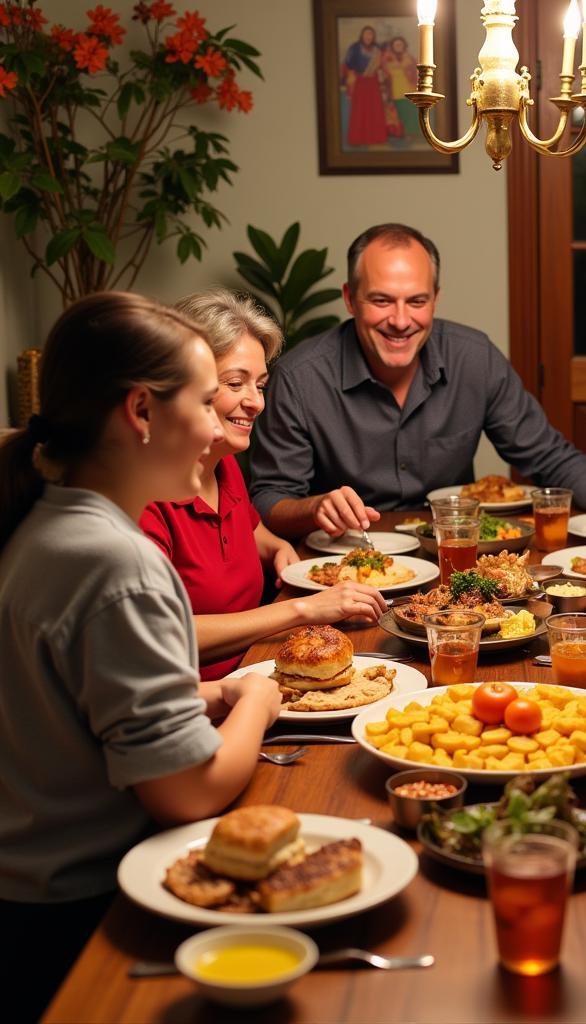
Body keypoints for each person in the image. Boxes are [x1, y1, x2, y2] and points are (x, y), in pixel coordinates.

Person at [0, 293, 282, 1019]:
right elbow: (187, 791)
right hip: (82, 910)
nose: (218, 421)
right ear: (142, 412)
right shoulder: (116, 561)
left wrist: (206, 697)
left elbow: (82, 710)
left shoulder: (52, 524)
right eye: (205, 399)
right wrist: (256, 699)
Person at [249, 222, 586, 538]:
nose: (400, 321)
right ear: (350, 299)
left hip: (455, 551)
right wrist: (315, 507)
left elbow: (548, 456)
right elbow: (269, 499)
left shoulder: (474, 357)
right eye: (381, 301)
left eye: (416, 301)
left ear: (435, 298)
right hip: (345, 563)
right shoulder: (299, 379)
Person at [139, 290, 387, 680]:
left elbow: (250, 529)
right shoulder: (141, 496)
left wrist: (277, 547)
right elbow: (157, 635)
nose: (256, 402)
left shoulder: (224, 464)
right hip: (200, 701)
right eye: (236, 384)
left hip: (262, 667)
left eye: (260, 384)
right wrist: (302, 609)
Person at [341, 25, 387, 147]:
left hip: (373, 83)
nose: (368, 36)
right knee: (360, 110)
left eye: (370, 34)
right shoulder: (354, 48)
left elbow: (381, 66)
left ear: (373, 36)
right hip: (360, 82)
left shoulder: (377, 49)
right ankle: (358, 138)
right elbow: (348, 65)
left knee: (375, 110)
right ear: (362, 35)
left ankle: (376, 138)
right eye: (366, 34)